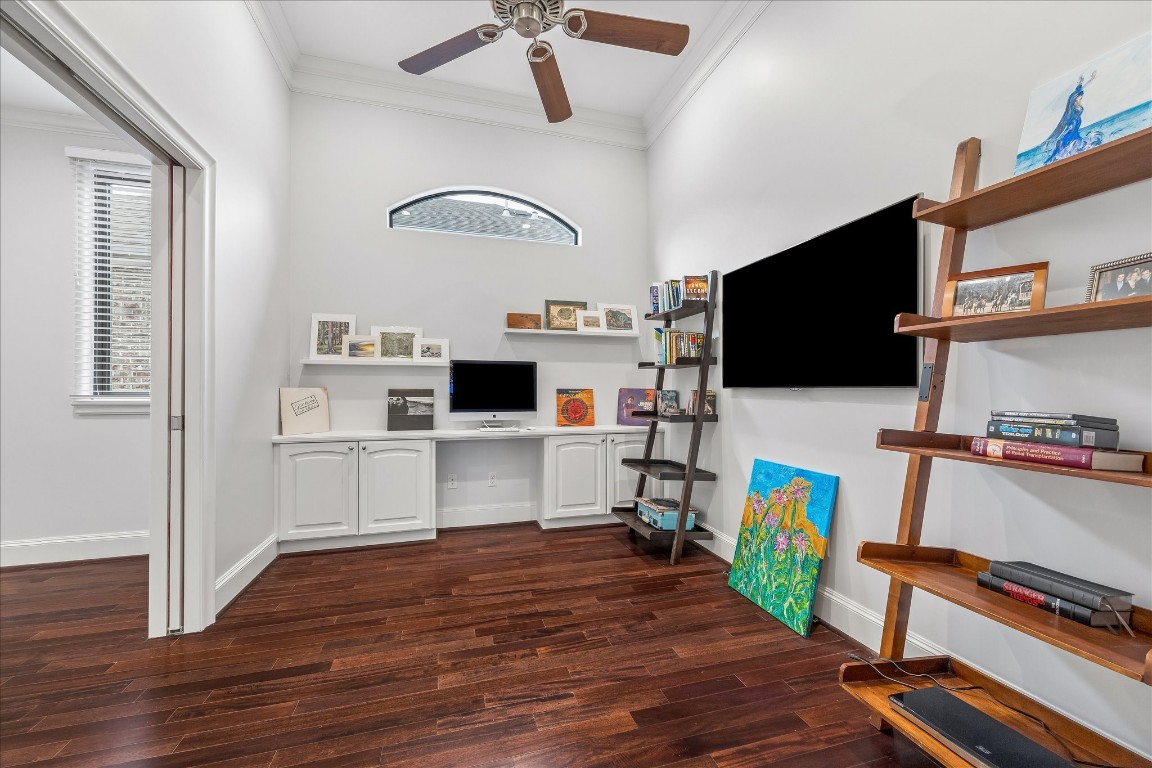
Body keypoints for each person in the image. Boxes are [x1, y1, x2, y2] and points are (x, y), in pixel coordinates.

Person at [1043, 71, 1097, 164]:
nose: (1080, 100)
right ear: (1074, 100)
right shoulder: (1072, 113)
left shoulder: (1077, 106)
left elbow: (1080, 89)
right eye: (1079, 99)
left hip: (1075, 135)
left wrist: (1088, 80)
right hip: (1070, 137)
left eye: (1081, 99)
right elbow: (1067, 128)